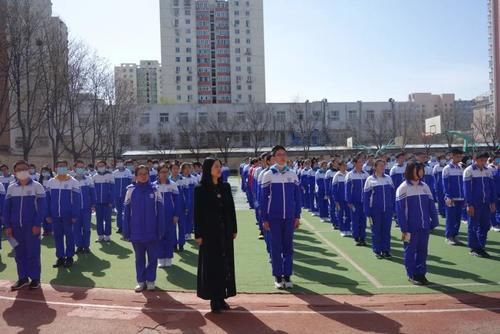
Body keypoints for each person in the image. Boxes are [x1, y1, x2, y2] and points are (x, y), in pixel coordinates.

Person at [194, 158, 238, 313]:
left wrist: (233, 228)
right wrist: (198, 234)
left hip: (224, 232)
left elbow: (231, 209)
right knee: (212, 266)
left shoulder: (225, 187)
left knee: (225, 263)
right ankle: (214, 298)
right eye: (216, 166)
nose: (219, 169)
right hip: (209, 234)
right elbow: (197, 213)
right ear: (208, 169)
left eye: (220, 166)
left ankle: (222, 296)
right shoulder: (200, 189)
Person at [261, 145, 301, 290]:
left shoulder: (293, 174)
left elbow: (297, 197)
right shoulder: (268, 175)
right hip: (274, 218)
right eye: (279, 154)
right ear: (273, 158)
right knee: (276, 247)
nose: (282, 157)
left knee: (288, 247)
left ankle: (288, 275)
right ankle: (278, 276)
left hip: (289, 217)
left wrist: (297, 215)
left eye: (284, 154)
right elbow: (263, 199)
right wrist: (264, 219)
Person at [3, 160, 47, 290]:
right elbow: (7, 209)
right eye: (19, 169)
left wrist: (37, 224)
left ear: (28, 170)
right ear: (15, 172)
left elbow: (42, 207)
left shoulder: (37, 186)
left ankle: (35, 279)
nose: (22, 171)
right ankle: (22, 278)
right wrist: (8, 226)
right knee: (19, 253)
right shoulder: (11, 188)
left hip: (31, 226)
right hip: (16, 227)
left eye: (24, 169)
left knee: (33, 253)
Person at [123, 165, 165, 292]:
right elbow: (125, 212)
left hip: (152, 231)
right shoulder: (130, 190)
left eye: (145, 173)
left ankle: (151, 280)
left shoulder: (155, 189)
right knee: (139, 258)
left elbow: (161, 211)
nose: (143, 176)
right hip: (136, 231)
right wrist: (126, 230)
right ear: (135, 176)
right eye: (140, 174)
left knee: (153, 258)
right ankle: (141, 281)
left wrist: (160, 229)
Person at [396, 161, 439, 286]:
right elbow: (400, 211)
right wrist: (404, 228)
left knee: (422, 250)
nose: (421, 172)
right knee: (409, 251)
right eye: (418, 170)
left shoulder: (424, 186)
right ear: (410, 171)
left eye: (421, 170)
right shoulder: (403, 188)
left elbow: (431, 205)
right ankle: (412, 274)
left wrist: (434, 220)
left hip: (424, 225)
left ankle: (421, 273)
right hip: (409, 228)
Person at [46, 160, 81, 268]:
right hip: (55, 215)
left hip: (68, 215)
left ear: (67, 168)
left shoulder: (73, 181)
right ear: (55, 168)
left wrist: (75, 215)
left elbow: (77, 201)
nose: (61, 168)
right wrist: (47, 214)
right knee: (57, 237)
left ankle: (69, 257)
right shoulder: (51, 182)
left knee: (69, 236)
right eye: (59, 166)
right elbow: (47, 200)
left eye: (64, 166)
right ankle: (60, 257)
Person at [463, 152, 496, 258]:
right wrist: (469, 204)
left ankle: (481, 246)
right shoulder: (469, 171)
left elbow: (491, 188)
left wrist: (492, 202)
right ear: (475, 159)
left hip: (486, 203)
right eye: (481, 160)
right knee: (473, 225)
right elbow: (467, 190)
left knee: (485, 226)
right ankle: (473, 248)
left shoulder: (488, 171)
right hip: (474, 204)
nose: (483, 162)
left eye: (485, 160)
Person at [364, 159, 395, 259]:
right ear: (375, 167)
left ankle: (386, 250)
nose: (382, 167)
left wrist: (393, 207)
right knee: (376, 231)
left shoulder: (388, 178)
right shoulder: (370, 180)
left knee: (386, 230)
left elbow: (393, 194)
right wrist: (367, 210)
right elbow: (366, 197)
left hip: (388, 210)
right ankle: (377, 250)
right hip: (375, 210)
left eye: (383, 165)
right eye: (380, 165)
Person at [155, 165, 180, 268]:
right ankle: (161, 258)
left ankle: (168, 258)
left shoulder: (173, 185)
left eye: (166, 172)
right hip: (158, 215)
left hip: (170, 215)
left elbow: (177, 201)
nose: (164, 174)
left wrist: (176, 215)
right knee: (159, 236)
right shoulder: (154, 186)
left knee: (170, 236)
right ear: (158, 173)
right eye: (162, 172)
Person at [442, 148, 465, 245]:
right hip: (451, 198)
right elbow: (445, 184)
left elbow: (464, 183)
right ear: (452, 156)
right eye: (457, 156)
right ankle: (449, 236)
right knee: (450, 218)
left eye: (460, 156)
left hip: (461, 198)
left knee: (458, 218)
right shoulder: (447, 168)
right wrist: (448, 196)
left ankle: (455, 235)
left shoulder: (461, 168)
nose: (459, 158)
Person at [346, 157, 369, 246]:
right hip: (354, 202)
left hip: (364, 202)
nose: (361, 164)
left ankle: (362, 237)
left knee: (363, 220)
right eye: (359, 162)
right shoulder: (350, 175)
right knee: (355, 220)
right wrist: (349, 201)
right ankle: (356, 237)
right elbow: (348, 189)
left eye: (362, 162)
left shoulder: (366, 174)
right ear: (355, 163)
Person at [73, 160, 95, 254]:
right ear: (74, 168)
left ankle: (86, 246)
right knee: (76, 229)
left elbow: (92, 193)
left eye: (82, 167)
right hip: (75, 210)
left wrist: (93, 205)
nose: (80, 169)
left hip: (86, 209)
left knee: (86, 228)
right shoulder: (71, 180)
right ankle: (79, 246)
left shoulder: (89, 179)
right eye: (79, 167)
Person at [93, 160, 114, 242]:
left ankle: (107, 235)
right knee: (99, 219)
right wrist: (94, 202)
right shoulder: (94, 176)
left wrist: (111, 201)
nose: (101, 167)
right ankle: (100, 235)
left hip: (107, 202)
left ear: (105, 166)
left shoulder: (110, 175)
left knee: (108, 219)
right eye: (99, 166)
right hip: (98, 202)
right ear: (97, 167)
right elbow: (93, 190)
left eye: (102, 165)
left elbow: (112, 190)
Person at [113, 159, 133, 234]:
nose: (119, 163)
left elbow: (130, 183)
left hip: (126, 195)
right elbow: (113, 185)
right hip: (117, 196)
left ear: (123, 163)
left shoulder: (128, 172)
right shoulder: (114, 173)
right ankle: (120, 227)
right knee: (119, 212)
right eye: (118, 162)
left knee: (126, 211)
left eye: (121, 162)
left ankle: (127, 226)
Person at [332, 161, 351, 236]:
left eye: (345, 166)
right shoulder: (336, 175)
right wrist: (336, 200)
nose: (344, 167)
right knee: (340, 214)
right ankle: (342, 229)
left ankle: (347, 228)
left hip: (347, 199)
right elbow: (334, 188)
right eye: (343, 166)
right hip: (339, 199)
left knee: (348, 214)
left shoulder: (348, 174)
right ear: (339, 167)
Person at [170, 163, 186, 252]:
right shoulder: (168, 181)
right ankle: (174, 244)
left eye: (177, 168)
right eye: (174, 169)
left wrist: (187, 206)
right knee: (172, 227)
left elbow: (186, 194)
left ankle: (181, 244)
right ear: (170, 170)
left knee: (182, 226)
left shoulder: (183, 179)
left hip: (181, 206)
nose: (176, 170)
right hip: (172, 207)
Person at [39, 166, 54, 236]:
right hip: (42, 200)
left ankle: (51, 229)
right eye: (43, 171)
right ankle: (45, 230)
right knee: (44, 215)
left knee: (50, 214)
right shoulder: (40, 181)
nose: (45, 173)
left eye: (46, 171)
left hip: (50, 200)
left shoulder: (52, 180)